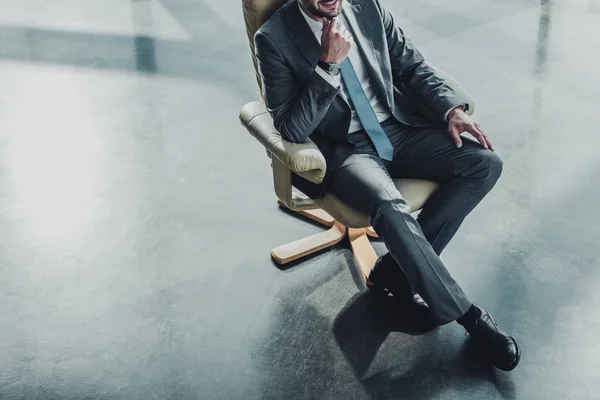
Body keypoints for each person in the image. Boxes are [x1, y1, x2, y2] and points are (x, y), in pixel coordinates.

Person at [254, 0, 520, 371]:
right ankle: (469, 317)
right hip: (346, 149)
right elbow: (291, 128)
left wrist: (451, 109)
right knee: (388, 203)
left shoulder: (366, 7)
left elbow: (411, 66)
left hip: (397, 127)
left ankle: (395, 271)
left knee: (483, 164)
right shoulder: (273, 38)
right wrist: (327, 66)